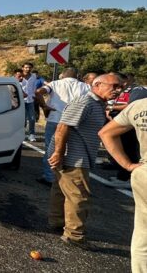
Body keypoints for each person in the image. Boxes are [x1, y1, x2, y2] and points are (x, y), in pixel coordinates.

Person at [47, 74, 122, 250]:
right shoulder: (85, 102)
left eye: (120, 87)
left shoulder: (97, 103)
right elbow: (63, 126)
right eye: (114, 86)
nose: (118, 90)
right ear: (97, 85)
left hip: (74, 155)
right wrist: (59, 153)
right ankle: (74, 235)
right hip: (73, 156)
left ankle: (57, 222)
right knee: (79, 196)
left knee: (61, 191)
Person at [99, 98, 147, 272]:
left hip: (143, 173)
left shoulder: (139, 105)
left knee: (143, 235)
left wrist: (128, 165)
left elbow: (106, 133)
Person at [34, 68, 89, 186]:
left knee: (51, 149)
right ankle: (69, 178)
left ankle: (50, 177)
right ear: (78, 76)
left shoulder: (54, 84)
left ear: (62, 75)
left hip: (55, 119)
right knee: (72, 150)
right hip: (75, 122)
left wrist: (44, 106)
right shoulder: (85, 86)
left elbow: (38, 92)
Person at [21, 62, 38, 142]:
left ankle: (31, 134)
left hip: (30, 100)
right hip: (21, 101)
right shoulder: (19, 76)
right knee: (22, 119)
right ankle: (21, 134)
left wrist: (34, 96)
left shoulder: (34, 76)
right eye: (26, 67)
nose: (28, 69)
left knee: (32, 118)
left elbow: (34, 87)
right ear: (23, 68)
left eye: (29, 67)